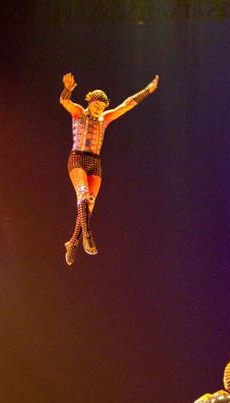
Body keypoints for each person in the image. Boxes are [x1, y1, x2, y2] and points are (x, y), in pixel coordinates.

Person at [59, 71, 159, 264]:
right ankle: (87, 236)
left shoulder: (105, 119)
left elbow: (127, 105)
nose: (99, 110)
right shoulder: (79, 113)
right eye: (97, 106)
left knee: (90, 203)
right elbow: (65, 101)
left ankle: (72, 243)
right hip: (78, 158)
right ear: (90, 101)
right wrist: (67, 89)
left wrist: (147, 90)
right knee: (82, 193)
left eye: (102, 107)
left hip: (95, 162)